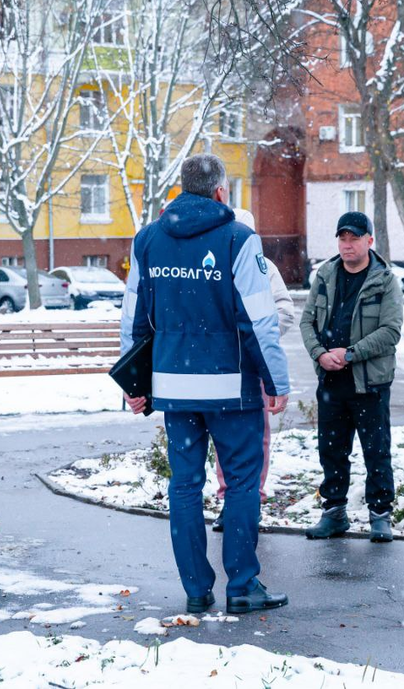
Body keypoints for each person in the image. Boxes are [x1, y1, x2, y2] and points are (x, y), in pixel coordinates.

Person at [120, 154, 291, 615]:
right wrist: (276, 379)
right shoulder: (239, 238)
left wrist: (133, 383)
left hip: (174, 387)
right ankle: (242, 584)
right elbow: (259, 320)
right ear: (220, 192)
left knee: (184, 486)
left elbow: (136, 317)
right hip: (230, 387)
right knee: (240, 484)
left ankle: (196, 589)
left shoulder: (148, 240)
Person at [300, 211, 403, 542]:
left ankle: (380, 515)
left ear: (369, 241)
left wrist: (350, 354)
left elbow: (390, 331)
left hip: (369, 383)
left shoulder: (384, 279)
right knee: (331, 449)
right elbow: (307, 322)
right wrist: (320, 354)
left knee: (376, 450)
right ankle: (334, 513)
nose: (347, 245)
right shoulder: (326, 274)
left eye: (354, 238)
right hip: (331, 381)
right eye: (342, 238)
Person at [211, 209, 295, 532]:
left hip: (253, 366)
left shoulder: (265, 268)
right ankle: (228, 500)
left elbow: (285, 311)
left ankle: (251, 501)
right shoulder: (212, 266)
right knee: (222, 436)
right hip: (220, 367)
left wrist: (258, 337)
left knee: (257, 436)